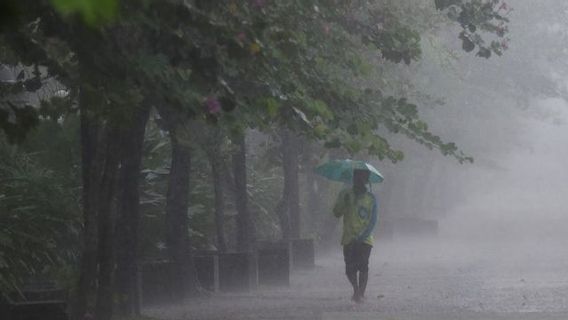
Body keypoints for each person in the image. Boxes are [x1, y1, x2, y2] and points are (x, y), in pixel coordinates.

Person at [333, 169, 378, 303]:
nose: (358, 181)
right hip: (348, 238)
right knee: (349, 268)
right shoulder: (345, 194)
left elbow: (373, 220)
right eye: (356, 178)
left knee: (363, 266)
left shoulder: (371, 198)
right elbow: (336, 213)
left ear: (366, 180)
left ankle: (360, 294)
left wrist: (362, 236)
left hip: (365, 239)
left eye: (361, 178)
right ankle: (356, 289)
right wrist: (344, 202)